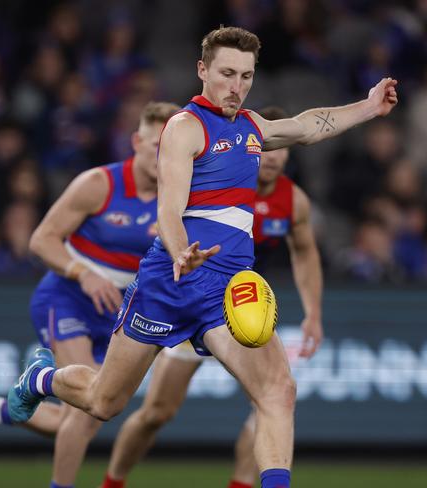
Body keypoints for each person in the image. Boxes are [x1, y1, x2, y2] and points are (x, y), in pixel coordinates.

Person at [7, 26, 397, 488]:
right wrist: (179, 251)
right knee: (102, 402)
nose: (237, 86)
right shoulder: (184, 128)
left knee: (279, 391)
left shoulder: (252, 127)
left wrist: (369, 107)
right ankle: (41, 379)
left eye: (246, 76)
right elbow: (168, 207)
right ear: (203, 70)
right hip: (168, 282)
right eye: (227, 74)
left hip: (227, 287)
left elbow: (308, 125)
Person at [0, 101, 180, 488]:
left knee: (93, 408)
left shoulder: (177, 197)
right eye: (154, 144)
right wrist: (83, 273)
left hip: (121, 312)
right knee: (85, 414)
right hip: (68, 296)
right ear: (136, 141)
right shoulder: (98, 185)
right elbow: (41, 240)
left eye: (169, 147)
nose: (161, 155)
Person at [100, 105, 324, 488]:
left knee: (271, 398)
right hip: (187, 292)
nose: (271, 159)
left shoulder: (293, 201)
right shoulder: (220, 174)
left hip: (242, 304)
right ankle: (114, 480)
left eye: (279, 151)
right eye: (265, 150)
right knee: (154, 411)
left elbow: (304, 252)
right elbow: (168, 208)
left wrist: (313, 312)